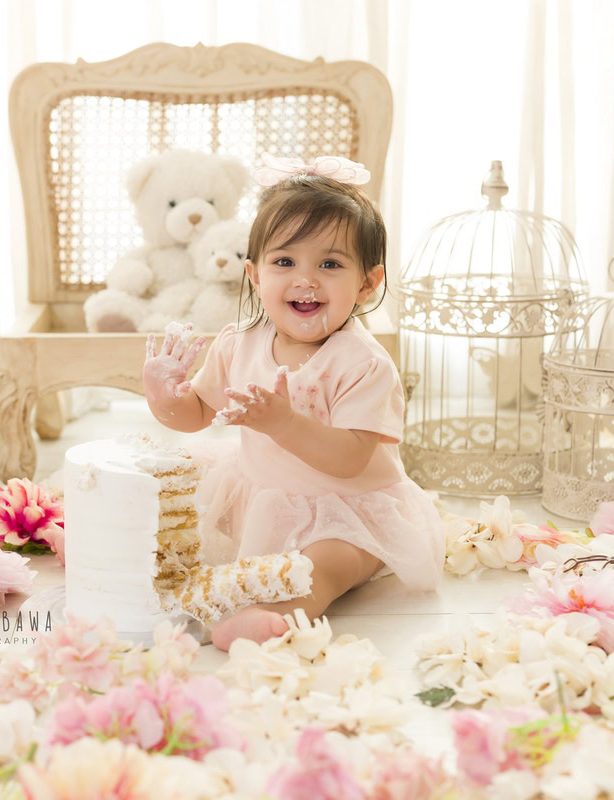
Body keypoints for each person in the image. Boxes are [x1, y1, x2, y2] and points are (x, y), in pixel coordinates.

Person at [141, 154, 444, 651]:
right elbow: (195, 414)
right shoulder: (240, 343)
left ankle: (275, 615)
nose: (305, 279)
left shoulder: (364, 364)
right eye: (285, 262)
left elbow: (349, 459)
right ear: (256, 275)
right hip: (262, 494)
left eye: (329, 264)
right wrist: (164, 397)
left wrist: (283, 423)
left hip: (352, 510)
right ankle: (114, 555)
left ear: (367, 282)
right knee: (176, 517)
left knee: (325, 566)